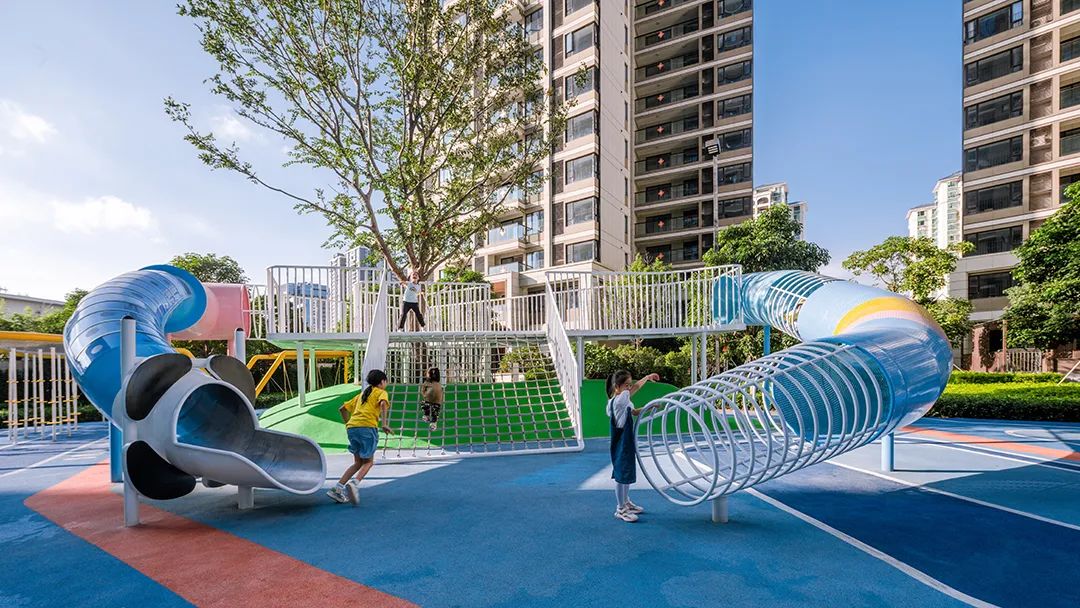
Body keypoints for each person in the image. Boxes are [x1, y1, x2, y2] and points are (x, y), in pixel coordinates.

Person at [328, 369, 394, 505]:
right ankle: (354, 483)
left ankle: (337, 488)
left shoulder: (362, 395)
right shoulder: (381, 392)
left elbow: (342, 409)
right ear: (382, 382)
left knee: (357, 463)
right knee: (368, 462)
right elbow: (383, 403)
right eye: (386, 381)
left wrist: (348, 424)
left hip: (352, 428)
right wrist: (384, 424)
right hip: (367, 428)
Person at [606, 369, 659, 523]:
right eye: (626, 385)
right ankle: (620, 508)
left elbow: (634, 412)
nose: (629, 388)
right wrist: (647, 377)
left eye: (629, 385)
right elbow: (635, 388)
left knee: (627, 473)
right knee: (621, 475)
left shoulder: (621, 400)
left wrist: (649, 407)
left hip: (626, 441)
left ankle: (625, 502)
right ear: (617, 387)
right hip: (621, 442)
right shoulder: (619, 399)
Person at [420, 367, 444, 432]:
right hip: (429, 401)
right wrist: (425, 395)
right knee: (425, 405)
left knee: (435, 412)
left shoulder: (438, 384)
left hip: (436, 402)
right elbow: (422, 390)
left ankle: (433, 423)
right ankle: (427, 415)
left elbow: (440, 393)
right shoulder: (427, 382)